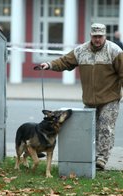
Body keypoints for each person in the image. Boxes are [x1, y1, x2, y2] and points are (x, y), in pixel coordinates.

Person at [38, 23, 123, 170]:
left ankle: (101, 159)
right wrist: (49, 64)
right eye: (95, 36)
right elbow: (65, 61)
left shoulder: (114, 51)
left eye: (100, 37)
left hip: (110, 97)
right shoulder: (81, 51)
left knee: (105, 127)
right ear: (91, 35)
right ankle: (91, 156)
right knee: (89, 129)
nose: (97, 40)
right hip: (90, 99)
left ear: (105, 36)